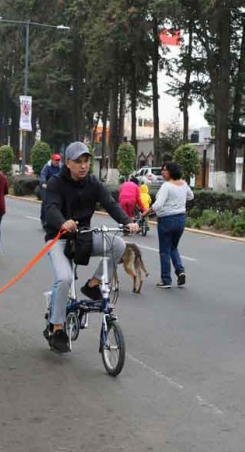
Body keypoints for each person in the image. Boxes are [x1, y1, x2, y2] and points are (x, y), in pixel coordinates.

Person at [44, 142, 139, 353]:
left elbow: (110, 203)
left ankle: (93, 284)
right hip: (58, 238)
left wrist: (127, 221)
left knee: (118, 245)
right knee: (65, 278)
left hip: (83, 238)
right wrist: (62, 222)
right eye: (78, 161)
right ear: (67, 163)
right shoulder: (55, 183)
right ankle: (57, 328)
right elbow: (50, 208)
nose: (84, 166)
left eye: (86, 161)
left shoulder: (93, 183)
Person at [141, 162, 193, 288]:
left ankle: (166, 280)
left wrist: (146, 212)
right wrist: (178, 202)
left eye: (164, 170)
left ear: (171, 171)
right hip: (180, 219)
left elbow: (158, 205)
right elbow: (191, 196)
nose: (162, 172)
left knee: (164, 251)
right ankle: (180, 271)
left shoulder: (167, 186)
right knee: (173, 247)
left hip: (166, 220)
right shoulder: (184, 184)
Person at [39, 153, 61, 226]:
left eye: (58, 160)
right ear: (52, 160)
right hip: (46, 187)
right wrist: (43, 183)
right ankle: (44, 220)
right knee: (46, 202)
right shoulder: (47, 167)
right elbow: (43, 175)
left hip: (56, 187)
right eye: (56, 160)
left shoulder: (61, 167)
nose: (57, 162)